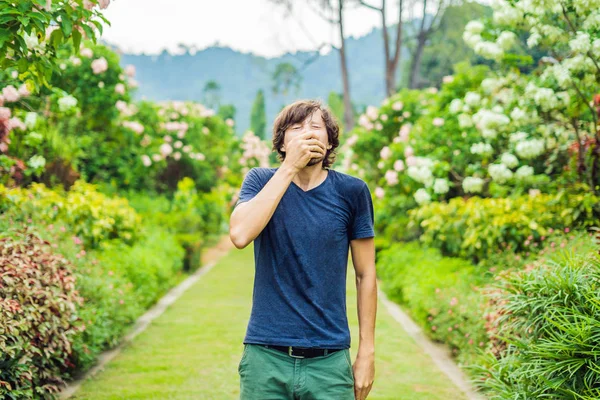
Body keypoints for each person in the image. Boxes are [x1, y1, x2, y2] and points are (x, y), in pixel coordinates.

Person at [229, 99, 377, 400]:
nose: (307, 133)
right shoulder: (260, 181)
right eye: (296, 128)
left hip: (330, 361)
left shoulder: (352, 192)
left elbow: (366, 274)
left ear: (330, 140)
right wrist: (289, 168)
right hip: (265, 357)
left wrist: (367, 353)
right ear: (282, 144)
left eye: (315, 127)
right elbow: (241, 234)